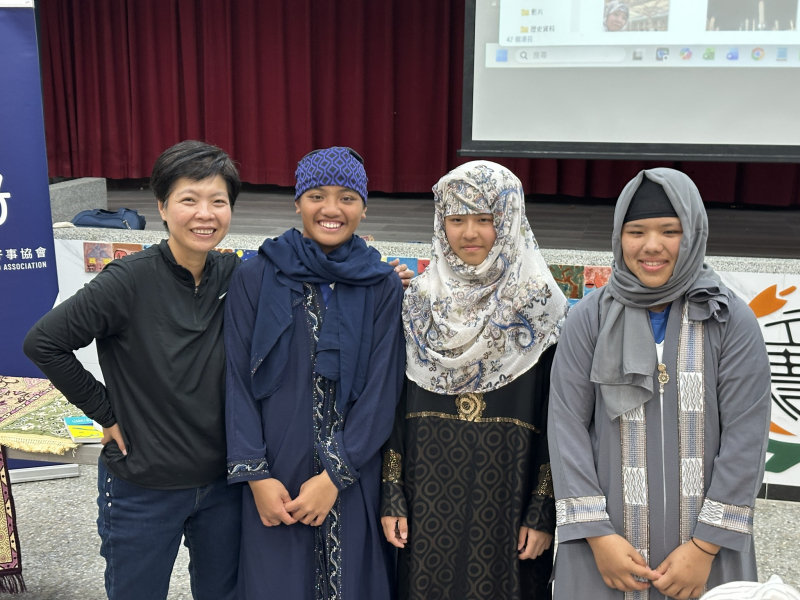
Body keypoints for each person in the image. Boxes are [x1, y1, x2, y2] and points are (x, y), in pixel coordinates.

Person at [24, 140, 244, 600]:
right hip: (143, 487)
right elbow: (44, 342)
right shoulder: (127, 280)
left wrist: (383, 276)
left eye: (218, 201)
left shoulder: (235, 275)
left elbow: (306, 268)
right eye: (189, 199)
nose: (205, 214)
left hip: (223, 486)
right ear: (162, 206)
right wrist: (105, 412)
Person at [548, 168, 772, 600]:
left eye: (670, 231)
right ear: (619, 236)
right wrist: (598, 536)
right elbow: (566, 427)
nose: (652, 246)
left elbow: (746, 435)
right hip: (605, 554)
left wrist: (704, 548)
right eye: (637, 232)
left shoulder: (728, 319)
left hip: (706, 560)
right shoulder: (589, 319)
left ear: (693, 234)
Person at [381, 161, 568, 600]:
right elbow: (395, 406)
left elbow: (560, 420)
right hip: (425, 496)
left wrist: (542, 509)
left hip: (510, 495)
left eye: (485, 219)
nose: (470, 233)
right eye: (456, 219)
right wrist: (391, 492)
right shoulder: (418, 301)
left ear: (509, 219)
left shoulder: (541, 305)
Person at [224, 146, 405, 600]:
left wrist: (334, 477)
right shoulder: (256, 275)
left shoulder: (381, 284)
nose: (331, 209)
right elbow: (237, 382)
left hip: (353, 478)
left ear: (364, 207)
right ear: (298, 202)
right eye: (317, 195)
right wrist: (256, 477)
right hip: (275, 479)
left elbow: (382, 390)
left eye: (347, 197)